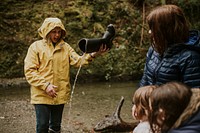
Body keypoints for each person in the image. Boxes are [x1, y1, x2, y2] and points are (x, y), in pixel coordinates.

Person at [24, 17, 108, 133]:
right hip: (41, 94)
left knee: (56, 127)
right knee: (42, 126)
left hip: (59, 94)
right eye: (54, 31)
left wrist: (94, 54)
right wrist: (46, 85)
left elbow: (78, 61)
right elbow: (30, 72)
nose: (57, 35)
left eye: (59, 32)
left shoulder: (65, 47)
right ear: (46, 31)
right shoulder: (35, 47)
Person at [139, 4, 200, 88]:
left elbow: (195, 96)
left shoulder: (190, 57)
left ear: (167, 30)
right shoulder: (154, 50)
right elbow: (145, 81)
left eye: (153, 28)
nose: (150, 32)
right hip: (152, 101)